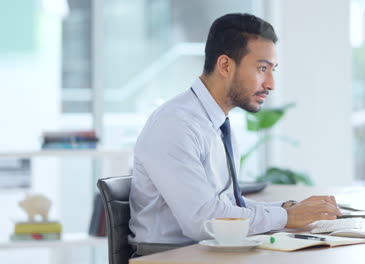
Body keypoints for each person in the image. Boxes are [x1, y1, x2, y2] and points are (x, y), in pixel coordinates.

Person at [128, 13, 342, 254]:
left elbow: (227, 206)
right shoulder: (175, 125)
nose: (271, 83)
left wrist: (287, 208)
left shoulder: (215, 122)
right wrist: (285, 216)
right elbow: (204, 221)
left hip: (207, 252)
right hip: (171, 257)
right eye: (262, 68)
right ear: (225, 65)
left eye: (273, 70)